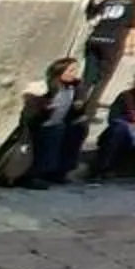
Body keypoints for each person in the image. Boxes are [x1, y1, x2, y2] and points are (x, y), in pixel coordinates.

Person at [80, 0, 135, 109]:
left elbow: (91, 13)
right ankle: (88, 111)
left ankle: (76, 106)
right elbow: (133, 23)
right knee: (102, 80)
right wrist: (134, 46)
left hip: (95, 39)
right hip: (113, 43)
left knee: (88, 77)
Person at [24, 58, 87, 188]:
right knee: (57, 130)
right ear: (60, 71)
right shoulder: (44, 87)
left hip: (59, 123)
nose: (74, 74)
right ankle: (36, 174)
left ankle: (60, 171)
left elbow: (77, 109)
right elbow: (30, 114)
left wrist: (79, 107)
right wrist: (45, 109)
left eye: (76, 70)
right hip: (41, 124)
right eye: (71, 70)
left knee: (79, 128)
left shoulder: (74, 87)